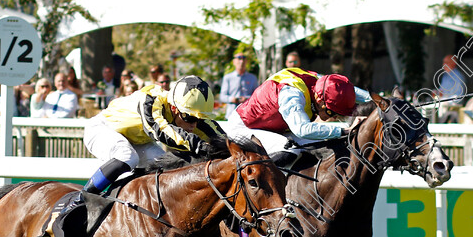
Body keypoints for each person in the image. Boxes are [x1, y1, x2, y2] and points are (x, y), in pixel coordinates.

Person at [80, 75, 224, 197]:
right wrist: (200, 146)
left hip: (135, 139)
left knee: (166, 167)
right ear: (174, 108)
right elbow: (160, 130)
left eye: (198, 119)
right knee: (128, 156)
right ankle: (83, 198)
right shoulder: (151, 100)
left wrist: (232, 149)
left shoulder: (184, 110)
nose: (195, 124)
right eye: (190, 118)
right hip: (102, 129)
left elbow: (219, 136)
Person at [224, 68, 371, 159]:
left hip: (274, 128)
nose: (335, 117)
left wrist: (379, 100)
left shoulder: (320, 83)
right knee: (288, 150)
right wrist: (345, 130)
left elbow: (343, 88)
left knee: (323, 146)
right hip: (244, 128)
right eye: (333, 112)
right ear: (320, 100)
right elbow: (302, 130)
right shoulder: (292, 96)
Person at [219, 53, 258, 119]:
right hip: (231, 114)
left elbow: (256, 96)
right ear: (234, 61)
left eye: (243, 59)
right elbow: (222, 96)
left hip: (247, 115)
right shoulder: (228, 77)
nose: (241, 62)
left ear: (246, 62)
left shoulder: (252, 78)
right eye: (239, 59)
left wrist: (247, 99)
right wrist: (232, 99)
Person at [435, 55, 466, 123]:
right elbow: (441, 91)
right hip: (443, 100)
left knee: (440, 105)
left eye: (446, 62)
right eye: (443, 62)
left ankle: (438, 126)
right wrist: (437, 93)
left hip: (452, 103)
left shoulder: (458, 76)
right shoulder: (445, 76)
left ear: (454, 63)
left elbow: (458, 96)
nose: (443, 65)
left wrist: (444, 98)